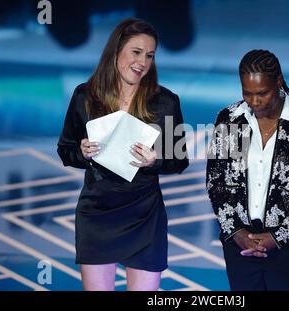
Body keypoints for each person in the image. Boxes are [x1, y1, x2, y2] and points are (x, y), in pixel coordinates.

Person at [57, 18, 188, 291]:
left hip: (145, 215)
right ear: (116, 51)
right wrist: (81, 152)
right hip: (97, 213)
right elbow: (65, 149)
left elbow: (180, 160)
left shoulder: (165, 102)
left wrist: (156, 160)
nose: (143, 61)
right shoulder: (85, 96)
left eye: (150, 55)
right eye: (136, 52)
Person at [206, 50, 289, 290]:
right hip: (240, 245)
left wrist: (277, 237)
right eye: (247, 93)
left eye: (262, 93)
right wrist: (236, 232)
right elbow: (216, 182)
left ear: (279, 82)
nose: (254, 101)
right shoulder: (231, 119)